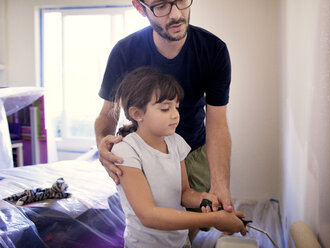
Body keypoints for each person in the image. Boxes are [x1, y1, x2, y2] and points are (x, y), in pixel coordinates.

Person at [95, 0, 233, 222]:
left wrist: (220, 188)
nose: (176, 14)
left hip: (192, 149)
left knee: (192, 223)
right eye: (161, 6)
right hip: (143, 152)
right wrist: (102, 143)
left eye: (181, 1)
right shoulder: (124, 52)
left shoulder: (213, 50)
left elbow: (217, 125)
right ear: (140, 8)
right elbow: (106, 115)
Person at [111, 66, 246, 248]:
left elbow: (184, 193)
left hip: (180, 242)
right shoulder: (126, 151)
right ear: (137, 114)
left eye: (176, 107)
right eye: (165, 109)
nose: (175, 114)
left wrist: (202, 198)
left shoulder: (175, 141)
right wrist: (215, 219)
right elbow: (148, 215)